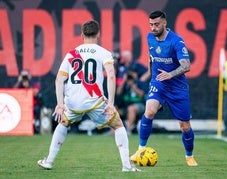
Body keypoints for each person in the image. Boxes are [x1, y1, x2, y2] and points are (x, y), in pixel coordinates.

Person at [37, 20, 140, 172]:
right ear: (98, 34)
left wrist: (60, 103)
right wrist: (111, 103)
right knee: (118, 125)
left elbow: (59, 79)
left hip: (72, 102)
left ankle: (49, 161)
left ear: (82, 35)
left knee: (63, 123)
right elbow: (111, 76)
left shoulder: (72, 54)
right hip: (94, 102)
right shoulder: (104, 53)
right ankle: (126, 166)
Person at [130, 10, 198, 167]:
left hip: (177, 88)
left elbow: (186, 66)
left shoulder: (177, 41)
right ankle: (140, 150)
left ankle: (189, 156)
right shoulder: (149, 38)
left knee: (185, 126)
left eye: (156, 24)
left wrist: (170, 74)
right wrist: (150, 74)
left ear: (165, 23)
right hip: (158, 84)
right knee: (149, 111)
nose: (153, 28)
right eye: (151, 25)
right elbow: (151, 58)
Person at [116, 69, 148, 134]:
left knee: (131, 108)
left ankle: (128, 130)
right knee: (113, 110)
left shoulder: (140, 82)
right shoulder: (124, 84)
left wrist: (133, 86)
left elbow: (141, 95)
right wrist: (124, 81)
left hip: (139, 106)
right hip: (125, 106)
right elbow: (118, 93)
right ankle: (114, 131)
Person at [14, 69, 44, 134]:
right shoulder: (19, 85)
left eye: (26, 75)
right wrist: (19, 82)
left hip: (32, 106)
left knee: (36, 109)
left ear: (29, 76)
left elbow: (35, 93)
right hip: (20, 106)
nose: (24, 77)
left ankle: (36, 126)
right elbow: (13, 93)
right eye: (23, 76)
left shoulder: (34, 84)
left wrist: (28, 86)